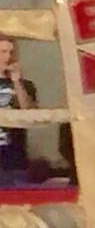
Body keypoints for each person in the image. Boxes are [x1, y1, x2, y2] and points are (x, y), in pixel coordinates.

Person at [0, 35, 38, 179]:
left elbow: (29, 113)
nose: (7, 57)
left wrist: (16, 82)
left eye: (11, 52)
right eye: (3, 52)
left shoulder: (25, 85)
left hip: (14, 161)